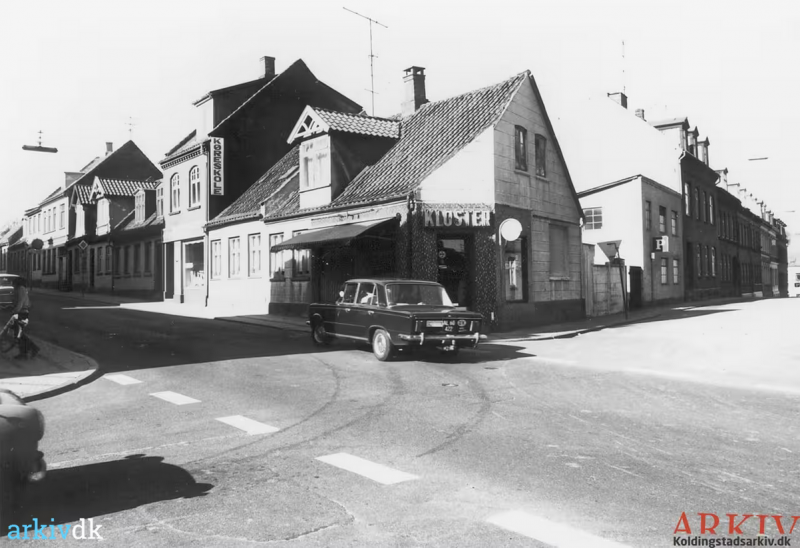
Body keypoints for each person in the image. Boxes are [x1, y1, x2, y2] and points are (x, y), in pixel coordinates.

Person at [9, 277, 40, 360]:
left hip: (22, 313)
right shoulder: (19, 289)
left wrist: (15, 311)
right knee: (18, 333)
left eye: (13, 283)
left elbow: (21, 301)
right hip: (21, 312)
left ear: (17, 283)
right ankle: (25, 352)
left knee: (19, 333)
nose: (12, 285)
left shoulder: (21, 289)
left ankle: (32, 349)